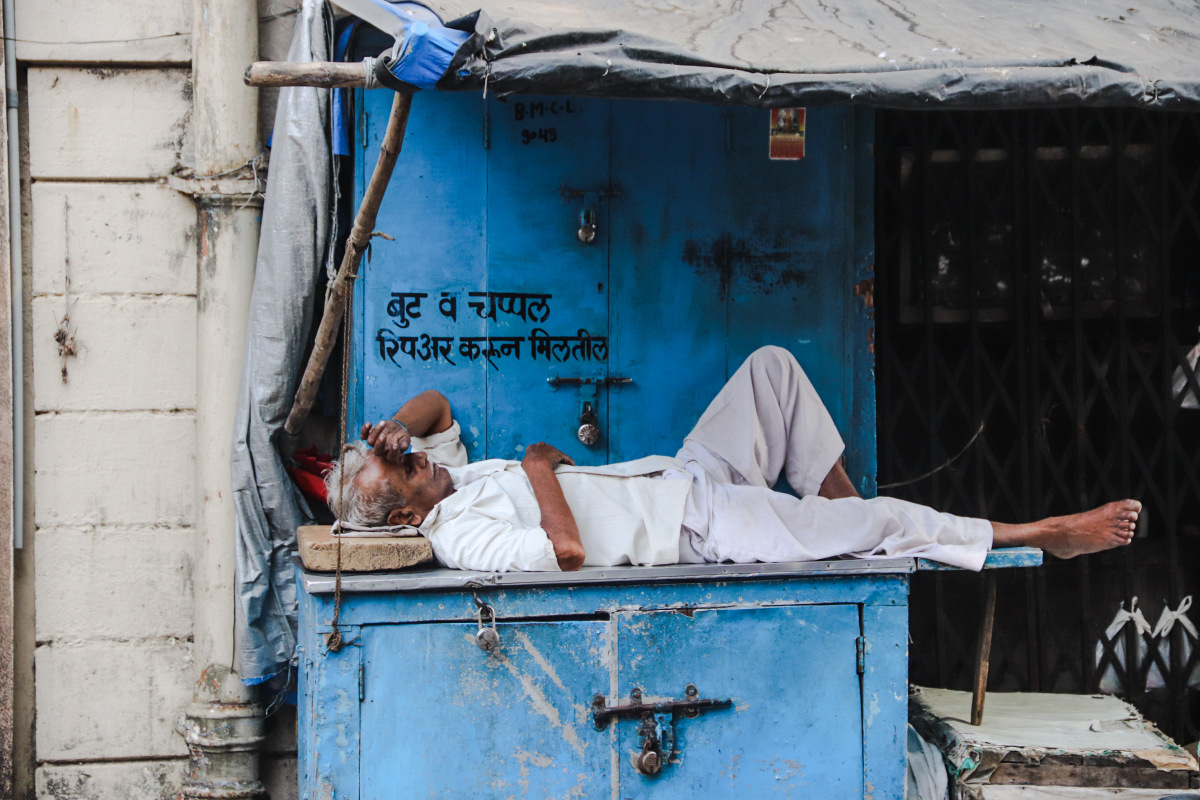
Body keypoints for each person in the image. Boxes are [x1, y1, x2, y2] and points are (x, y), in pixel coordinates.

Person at [325, 347, 1140, 572]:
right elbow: (564, 554)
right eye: (406, 465)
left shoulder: (446, 477)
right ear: (403, 512)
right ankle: (1047, 530)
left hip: (678, 478)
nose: (419, 456)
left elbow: (436, 409)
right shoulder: (460, 534)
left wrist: (396, 424)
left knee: (771, 371)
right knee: (887, 520)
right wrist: (541, 471)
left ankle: (838, 524)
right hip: (694, 528)